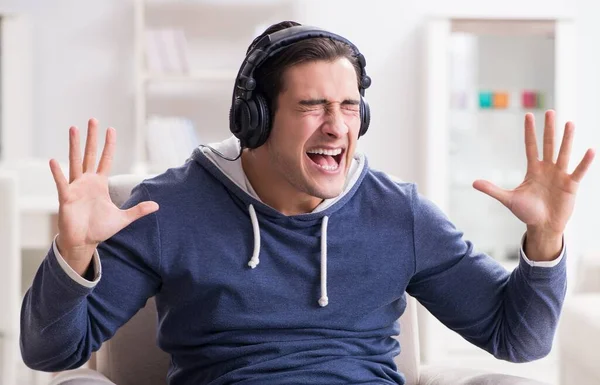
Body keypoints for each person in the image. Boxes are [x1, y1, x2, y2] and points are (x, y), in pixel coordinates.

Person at [20, 20, 595, 385]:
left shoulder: (399, 214)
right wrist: (73, 255)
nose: (337, 127)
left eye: (349, 107)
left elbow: (518, 340)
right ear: (256, 119)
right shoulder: (166, 209)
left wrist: (545, 240)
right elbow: (51, 352)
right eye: (313, 105)